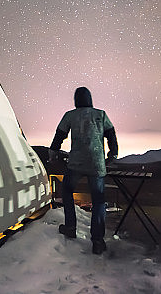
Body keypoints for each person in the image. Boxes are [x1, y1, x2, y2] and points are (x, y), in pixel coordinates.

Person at [49, 86, 118, 255]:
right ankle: (97, 241)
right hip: (97, 164)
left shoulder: (70, 115)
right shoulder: (101, 114)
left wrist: (53, 153)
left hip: (76, 163)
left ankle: (70, 227)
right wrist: (113, 153)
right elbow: (111, 134)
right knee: (99, 201)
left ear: (76, 100)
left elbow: (59, 135)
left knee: (66, 190)